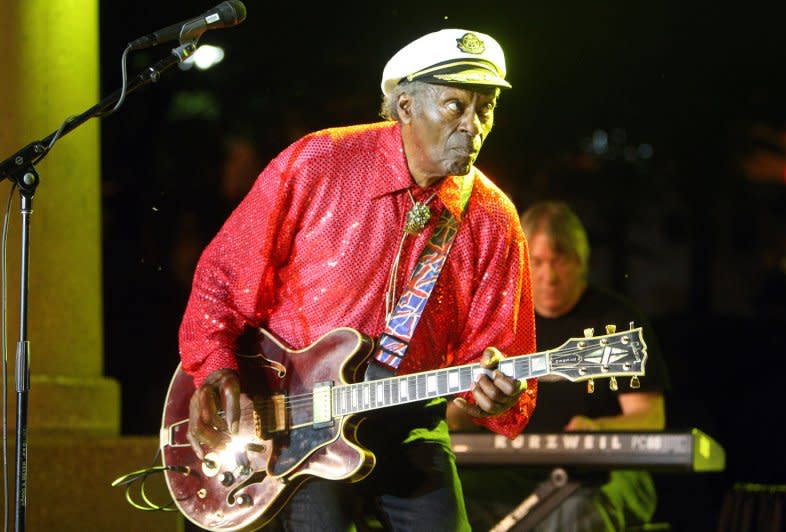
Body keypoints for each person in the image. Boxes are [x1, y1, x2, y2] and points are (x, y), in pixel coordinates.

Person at [178, 28, 539, 531]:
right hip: (296, 420)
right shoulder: (319, 161)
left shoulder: (493, 216)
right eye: (456, 106)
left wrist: (498, 396)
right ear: (406, 105)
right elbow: (223, 273)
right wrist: (216, 371)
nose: (473, 125)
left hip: (411, 425)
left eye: (487, 108)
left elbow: (499, 357)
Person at [449, 200, 670, 531]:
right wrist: (464, 408)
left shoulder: (616, 320)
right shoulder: (499, 325)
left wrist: (597, 431)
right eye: (536, 262)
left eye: (560, 260)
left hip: (604, 472)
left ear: (581, 261)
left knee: (576, 512)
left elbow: (650, 418)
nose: (548, 276)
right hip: (511, 472)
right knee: (443, 503)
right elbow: (457, 421)